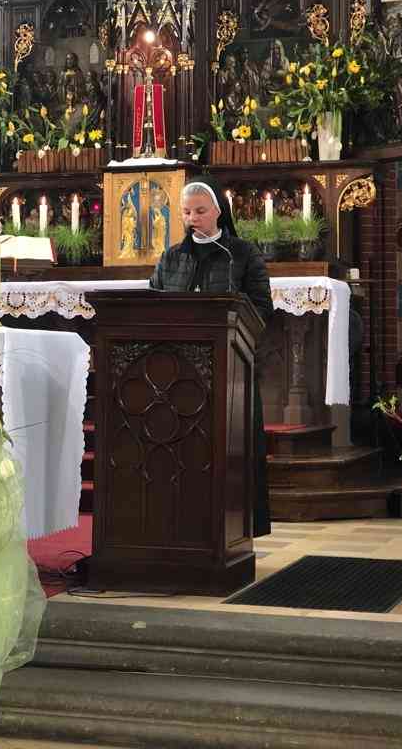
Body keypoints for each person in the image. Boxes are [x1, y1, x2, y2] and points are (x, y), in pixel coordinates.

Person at [150, 178, 273, 536]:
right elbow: (153, 304)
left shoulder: (243, 254)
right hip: (177, 376)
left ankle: (235, 528)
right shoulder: (171, 257)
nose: (193, 218)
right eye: (187, 212)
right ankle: (178, 525)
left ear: (219, 211)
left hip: (230, 371)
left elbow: (261, 309)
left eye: (200, 211)